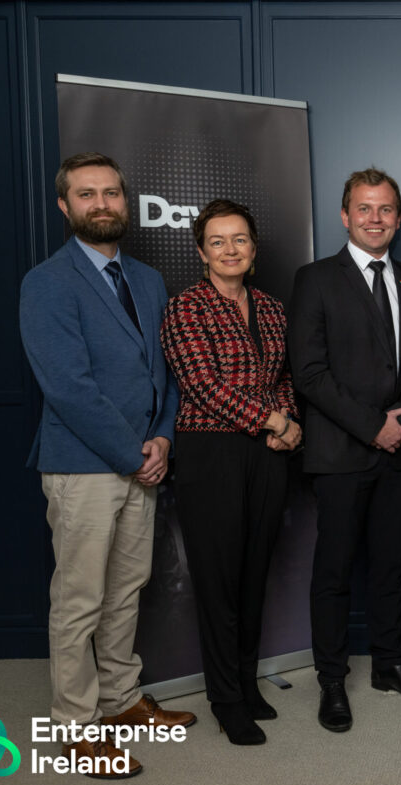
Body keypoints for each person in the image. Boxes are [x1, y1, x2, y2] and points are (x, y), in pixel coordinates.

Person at [19, 152, 195, 778]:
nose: (102, 204)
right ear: (65, 206)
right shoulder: (46, 283)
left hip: (144, 460)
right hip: (86, 466)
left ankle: (121, 700)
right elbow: (67, 387)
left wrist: (164, 442)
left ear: (126, 202)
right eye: (87, 194)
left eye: (112, 193)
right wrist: (133, 454)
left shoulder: (147, 280)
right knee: (80, 599)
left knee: (126, 593)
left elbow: (165, 375)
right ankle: (76, 725)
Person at [289, 168, 401, 734]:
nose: (375, 219)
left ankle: (388, 664)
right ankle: (332, 679)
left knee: (391, 566)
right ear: (345, 216)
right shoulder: (315, 279)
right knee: (333, 572)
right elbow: (309, 372)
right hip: (340, 452)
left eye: (385, 210)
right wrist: (372, 425)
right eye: (364, 209)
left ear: (398, 219)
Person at [160, 199, 301, 745]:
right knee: (218, 581)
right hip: (211, 452)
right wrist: (270, 418)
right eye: (217, 242)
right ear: (201, 251)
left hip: (266, 452)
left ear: (254, 248)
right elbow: (201, 385)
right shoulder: (186, 308)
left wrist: (285, 423)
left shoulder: (270, 307)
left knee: (252, 574)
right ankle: (225, 699)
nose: (230, 250)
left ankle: (246, 682)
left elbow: (282, 375)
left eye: (239, 239)